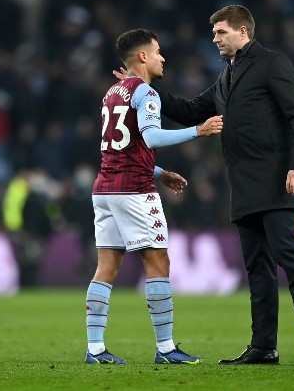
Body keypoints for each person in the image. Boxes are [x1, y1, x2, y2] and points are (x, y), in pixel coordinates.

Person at [115, 5, 294, 366]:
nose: (214, 39)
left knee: (289, 257)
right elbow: (189, 110)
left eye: (221, 32)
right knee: (256, 266)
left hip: (277, 179)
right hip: (243, 184)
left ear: (243, 32)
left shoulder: (272, 63)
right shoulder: (226, 77)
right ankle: (264, 346)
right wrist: (139, 86)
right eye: (213, 33)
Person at [85, 28, 223, 365]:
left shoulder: (112, 92)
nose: (163, 57)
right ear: (143, 56)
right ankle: (165, 349)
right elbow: (152, 137)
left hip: (104, 190)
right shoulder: (145, 92)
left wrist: (160, 173)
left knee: (106, 267)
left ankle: (95, 350)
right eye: (158, 51)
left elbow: (122, 146)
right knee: (158, 263)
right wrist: (198, 131)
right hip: (133, 191)